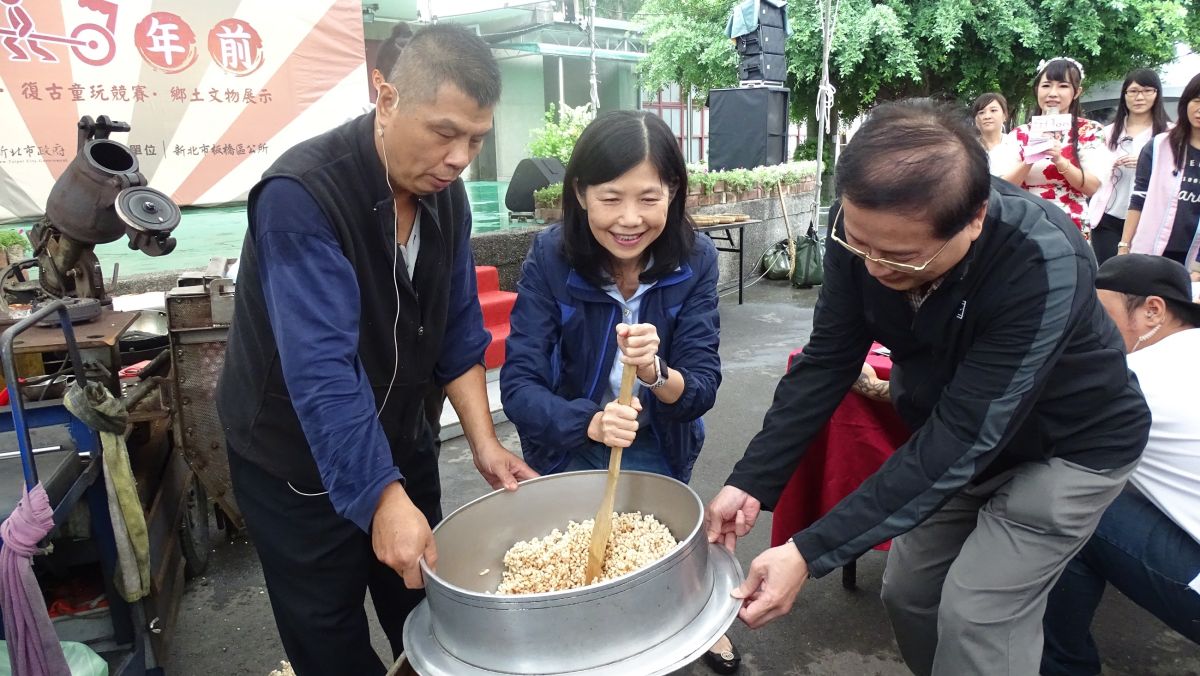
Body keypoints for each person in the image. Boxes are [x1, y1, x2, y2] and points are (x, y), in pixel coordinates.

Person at [705, 99, 1150, 676]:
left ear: (974, 217)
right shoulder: (860, 229)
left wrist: (808, 550)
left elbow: (968, 432)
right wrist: (751, 479)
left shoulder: (1044, 259)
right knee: (908, 593)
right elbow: (829, 361)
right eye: (861, 246)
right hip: (952, 432)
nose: (873, 267)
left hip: (1070, 443)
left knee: (977, 614)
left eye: (900, 258)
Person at [216, 25, 537, 676]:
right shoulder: (301, 197)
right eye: (444, 131)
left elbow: (456, 329)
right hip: (293, 459)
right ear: (385, 97)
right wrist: (382, 499)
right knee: (326, 633)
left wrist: (483, 442)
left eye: (475, 139)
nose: (459, 158)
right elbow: (322, 371)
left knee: (426, 606)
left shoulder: (444, 202)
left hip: (397, 435)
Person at [498, 110, 733, 673]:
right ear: (580, 193)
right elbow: (520, 386)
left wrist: (654, 374)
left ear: (673, 193)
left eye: (649, 198)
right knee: (575, 570)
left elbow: (700, 388)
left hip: (658, 442)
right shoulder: (551, 257)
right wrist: (590, 422)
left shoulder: (695, 260)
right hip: (568, 442)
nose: (630, 220)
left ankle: (697, 621)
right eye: (610, 198)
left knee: (654, 559)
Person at [1039, 254, 1200, 675]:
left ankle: (1062, 668)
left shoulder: (1135, 375)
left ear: (1153, 310)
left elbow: (1020, 421)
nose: (1089, 328)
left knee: (1071, 500)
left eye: (1099, 314)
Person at [1006, 57, 1110, 235]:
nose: (1053, 93)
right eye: (1046, 85)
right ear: (1037, 89)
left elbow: (1091, 186)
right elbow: (1003, 186)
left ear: (1076, 92)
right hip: (1023, 224)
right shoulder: (1019, 134)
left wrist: (1060, 160)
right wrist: (1030, 159)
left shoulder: (1090, 131)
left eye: (1063, 86)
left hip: (1070, 223)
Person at [1088, 69, 1170, 264]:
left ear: (1157, 94)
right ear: (1124, 95)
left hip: (1148, 219)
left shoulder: (1169, 135)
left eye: (1147, 90)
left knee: (1139, 281)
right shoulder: (1106, 133)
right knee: (1109, 276)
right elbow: (1092, 172)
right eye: (1133, 91)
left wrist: (1146, 164)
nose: (1139, 97)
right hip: (1108, 216)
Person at [1119, 72, 1200, 266]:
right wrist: (1124, 246)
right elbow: (1139, 197)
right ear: (1186, 102)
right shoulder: (1160, 146)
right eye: (1197, 101)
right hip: (1153, 250)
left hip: (1194, 255)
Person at [971, 92, 1020, 176]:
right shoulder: (970, 148)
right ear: (976, 120)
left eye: (993, 110)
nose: (987, 116)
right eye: (981, 112)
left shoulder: (1017, 145)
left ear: (1004, 116)